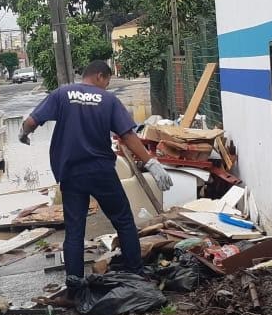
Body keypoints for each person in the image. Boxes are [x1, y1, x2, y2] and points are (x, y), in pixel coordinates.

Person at [18, 60, 173, 281]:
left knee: (74, 230)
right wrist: (151, 163)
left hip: (70, 172)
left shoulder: (62, 94)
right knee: (123, 221)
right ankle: (135, 273)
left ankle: (74, 285)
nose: (106, 87)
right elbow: (128, 136)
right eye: (107, 82)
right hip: (100, 171)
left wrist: (23, 133)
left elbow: (32, 121)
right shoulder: (108, 100)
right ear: (100, 76)